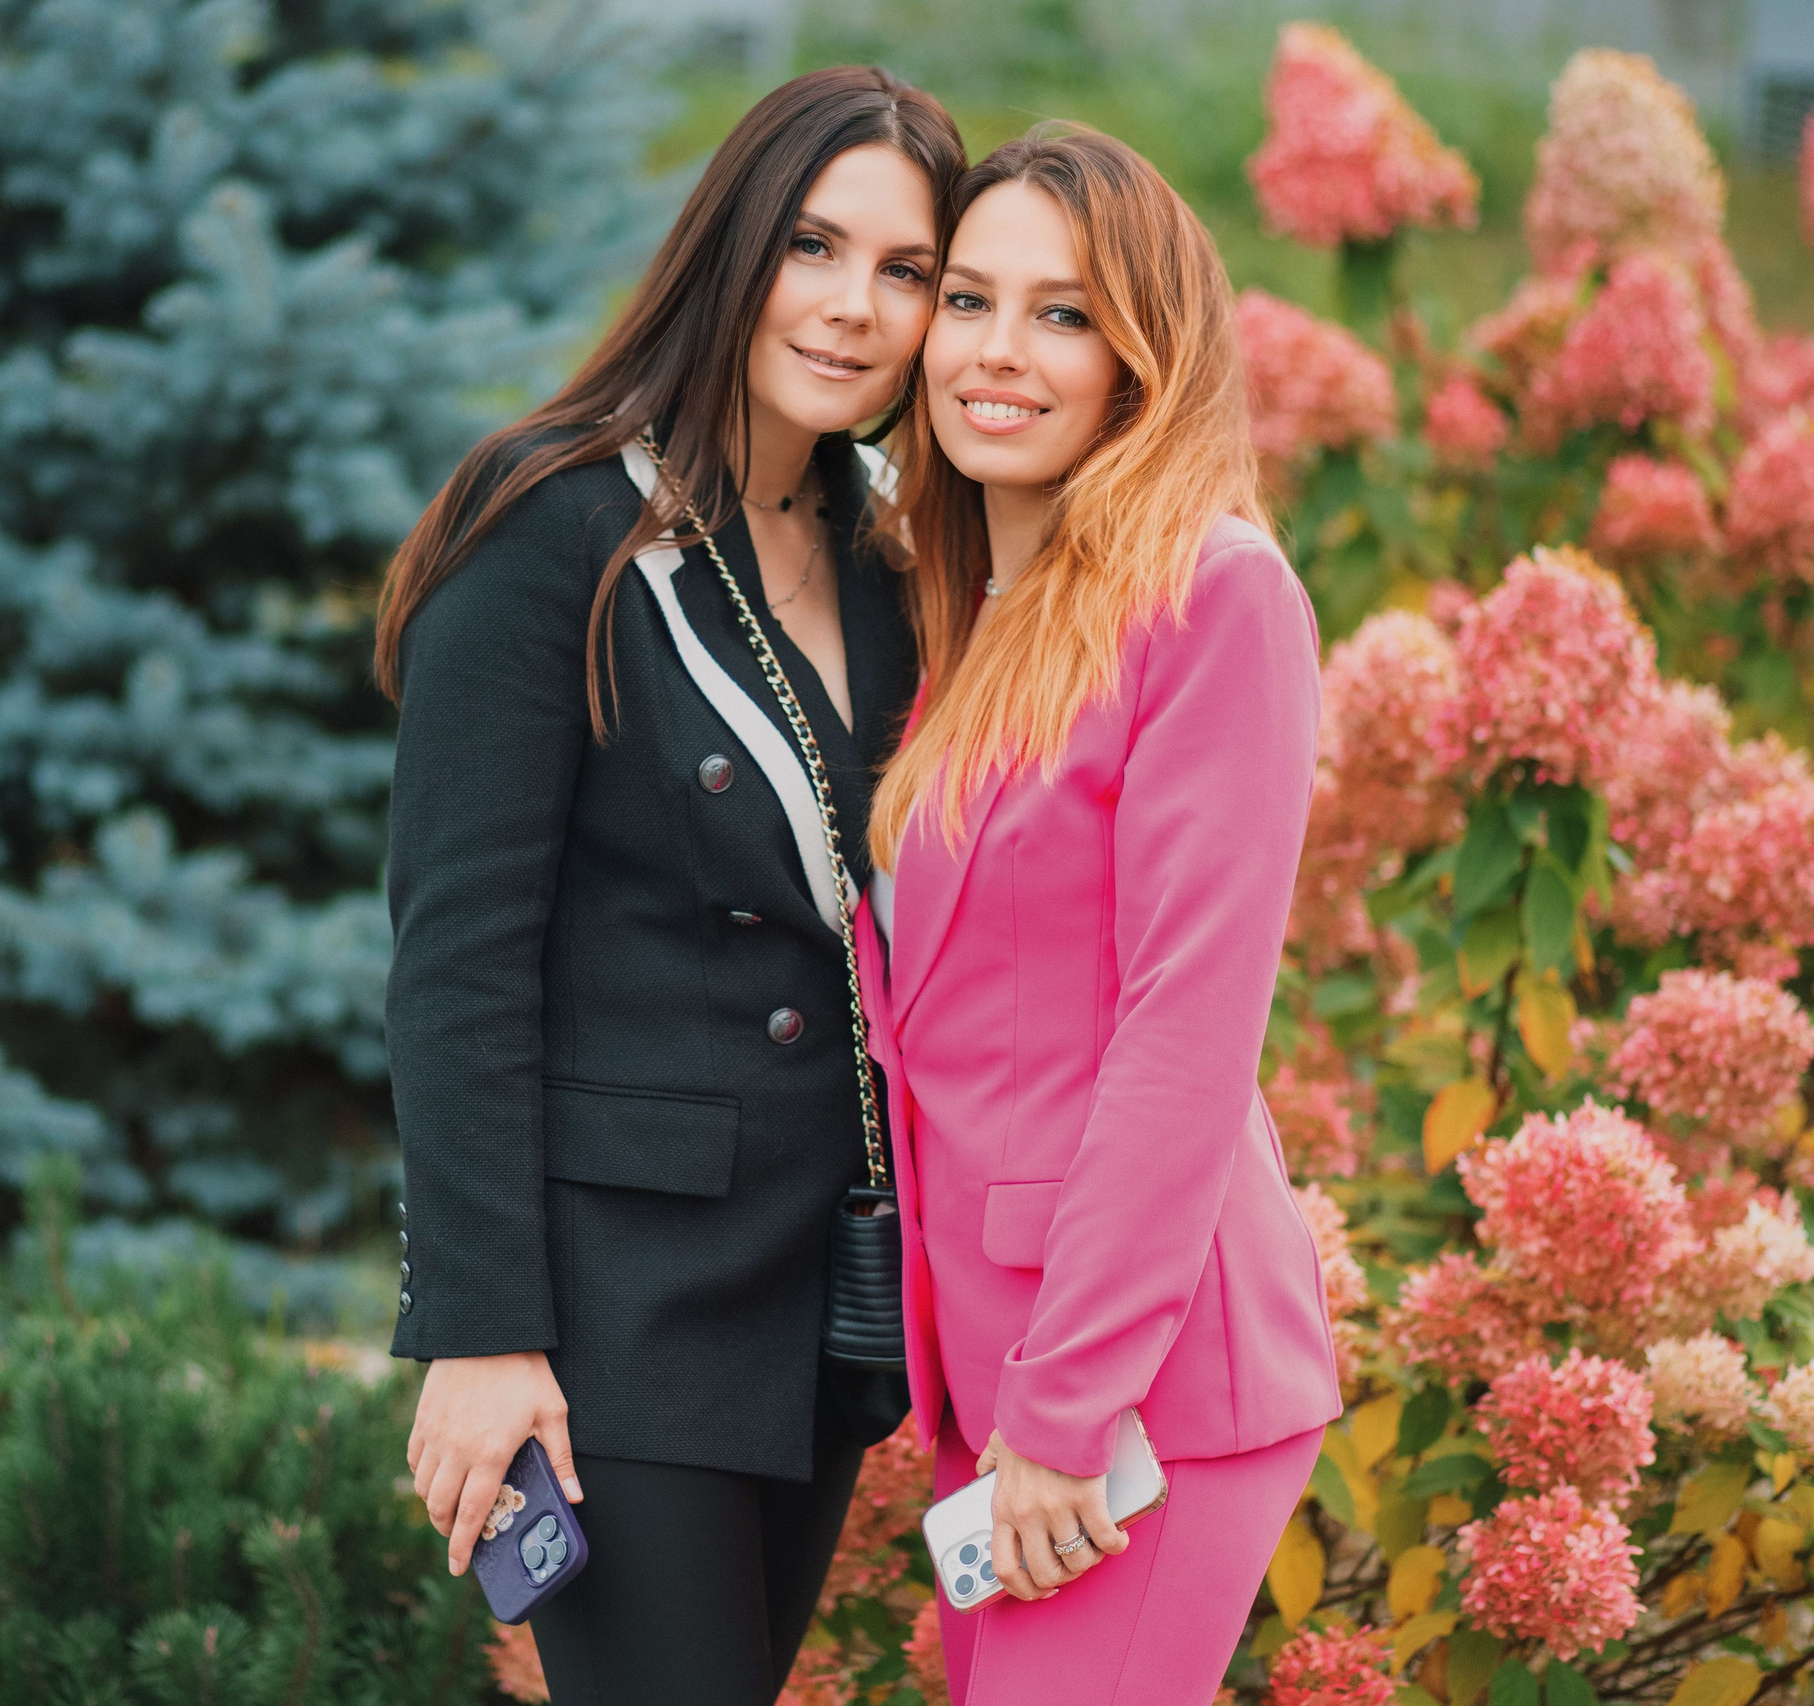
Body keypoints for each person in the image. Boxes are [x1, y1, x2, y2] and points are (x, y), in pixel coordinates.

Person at [374, 67, 964, 1706]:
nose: (855, 309)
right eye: (814, 247)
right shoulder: (551, 524)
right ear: (733, 247)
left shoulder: (889, 553)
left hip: (816, 1296)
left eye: (905, 272)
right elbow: (458, 961)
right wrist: (485, 1333)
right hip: (613, 1311)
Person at [854, 125, 1343, 1704]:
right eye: (971, 299)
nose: (999, 352)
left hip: (1132, 1387)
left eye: (1063, 314)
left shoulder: (1215, 592)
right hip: (989, 1358)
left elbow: (1186, 1033)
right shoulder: (963, 608)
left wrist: (1064, 1414)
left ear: (1145, 355)